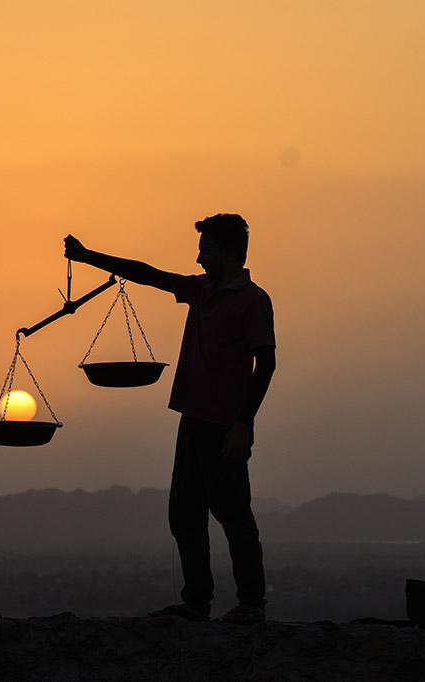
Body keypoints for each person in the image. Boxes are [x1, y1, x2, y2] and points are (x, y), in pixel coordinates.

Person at [65, 214, 276, 624]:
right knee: (184, 513)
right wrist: (90, 257)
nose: (198, 258)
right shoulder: (200, 291)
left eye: (206, 250)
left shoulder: (253, 300)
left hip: (225, 426)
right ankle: (197, 601)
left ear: (229, 253)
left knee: (233, 514)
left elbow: (265, 364)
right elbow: (148, 274)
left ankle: (252, 604)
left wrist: (244, 423)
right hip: (192, 419)